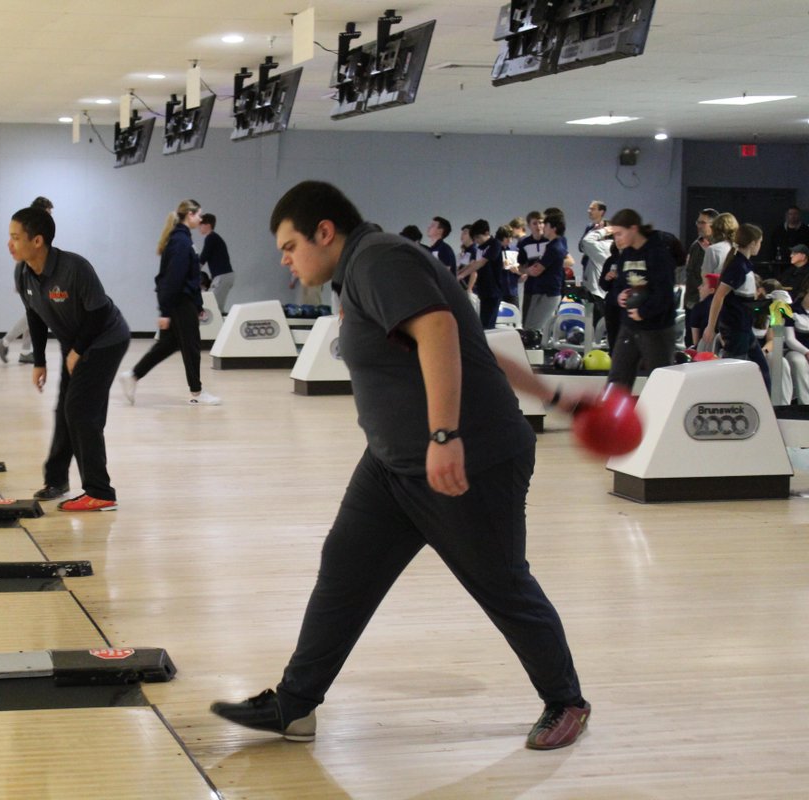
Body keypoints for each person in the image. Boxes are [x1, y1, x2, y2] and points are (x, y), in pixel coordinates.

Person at [210, 180, 590, 751]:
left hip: (469, 461)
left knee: (500, 583)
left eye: (289, 246)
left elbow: (439, 330)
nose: (284, 259)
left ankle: (566, 700)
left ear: (325, 231)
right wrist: (549, 393)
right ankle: (295, 704)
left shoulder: (378, 259)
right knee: (345, 566)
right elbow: (471, 341)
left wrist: (445, 435)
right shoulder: (366, 267)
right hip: (393, 465)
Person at [11, 205, 131, 512]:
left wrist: (78, 350)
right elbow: (35, 316)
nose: (9, 243)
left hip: (104, 341)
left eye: (15, 237)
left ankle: (101, 492)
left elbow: (99, 311)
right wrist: (40, 361)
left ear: (37, 241)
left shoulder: (74, 267)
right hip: (74, 345)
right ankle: (56, 481)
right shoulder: (23, 272)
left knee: (80, 410)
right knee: (65, 409)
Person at [120, 199, 222, 406]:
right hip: (180, 302)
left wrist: (198, 305)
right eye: (199, 215)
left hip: (182, 301)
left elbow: (182, 277)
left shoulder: (182, 239)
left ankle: (132, 375)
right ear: (189, 215)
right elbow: (172, 278)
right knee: (191, 347)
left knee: (168, 344)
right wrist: (165, 311)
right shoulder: (181, 242)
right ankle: (197, 392)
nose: (201, 219)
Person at [605, 208, 676, 389]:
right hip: (629, 325)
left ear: (634, 229)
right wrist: (618, 296)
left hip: (656, 328)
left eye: (620, 233)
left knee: (660, 380)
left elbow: (665, 293)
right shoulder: (626, 255)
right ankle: (612, 417)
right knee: (617, 378)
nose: (617, 239)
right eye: (614, 235)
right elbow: (619, 285)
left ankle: (660, 416)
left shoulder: (658, 253)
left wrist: (644, 312)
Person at [701, 223, 771, 390]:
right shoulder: (738, 266)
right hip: (735, 328)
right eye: (760, 242)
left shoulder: (743, 265)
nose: (760, 246)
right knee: (735, 375)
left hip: (743, 328)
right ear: (753, 243)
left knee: (761, 372)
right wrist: (710, 327)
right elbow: (719, 295)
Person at [0, 196, 54, 364]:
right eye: (48, 212)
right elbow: (25, 252)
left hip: (28, 272)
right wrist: (22, 277)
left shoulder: (34, 226)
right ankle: (5, 342)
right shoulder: (32, 227)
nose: (50, 215)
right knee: (35, 312)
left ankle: (25, 352)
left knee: (36, 313)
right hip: (28, 272)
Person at [522, 213, 568, 333]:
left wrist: (523, 270)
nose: (542, 228)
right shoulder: (552, 245)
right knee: (530, 326)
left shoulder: (555, 247)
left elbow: (537, 270)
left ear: (553, 228)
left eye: (545, 225)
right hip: (542, 291)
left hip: (548, 293)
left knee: (534, 327)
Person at [457, 219, 503, 329]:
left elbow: (481, 263)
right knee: (482, 322)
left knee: (488, 323)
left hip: (493, 290)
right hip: (483, 289)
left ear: (487, 233)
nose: (476, 241)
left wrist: (462, 276)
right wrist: (458, 273)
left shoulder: (495, 244)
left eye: (478, 237)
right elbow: (473, 264)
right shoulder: (479, 248)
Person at [198, 212, 235, 313]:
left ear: (208, 225)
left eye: (201, 225)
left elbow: (203, 257)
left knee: (211, 307)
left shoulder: (211, 238)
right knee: (215, 307)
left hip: (222, 276)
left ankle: (222, 327)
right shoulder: (214, 238)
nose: (199, 228)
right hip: (224, 276)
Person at [684, 208, 717, 311]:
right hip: (691, 300)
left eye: (703, 223)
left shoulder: (719, 247)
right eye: (698, 222)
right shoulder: (696, 245)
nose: (699, 226)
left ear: (714, 224)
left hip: (707, 302)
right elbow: (689, 271)